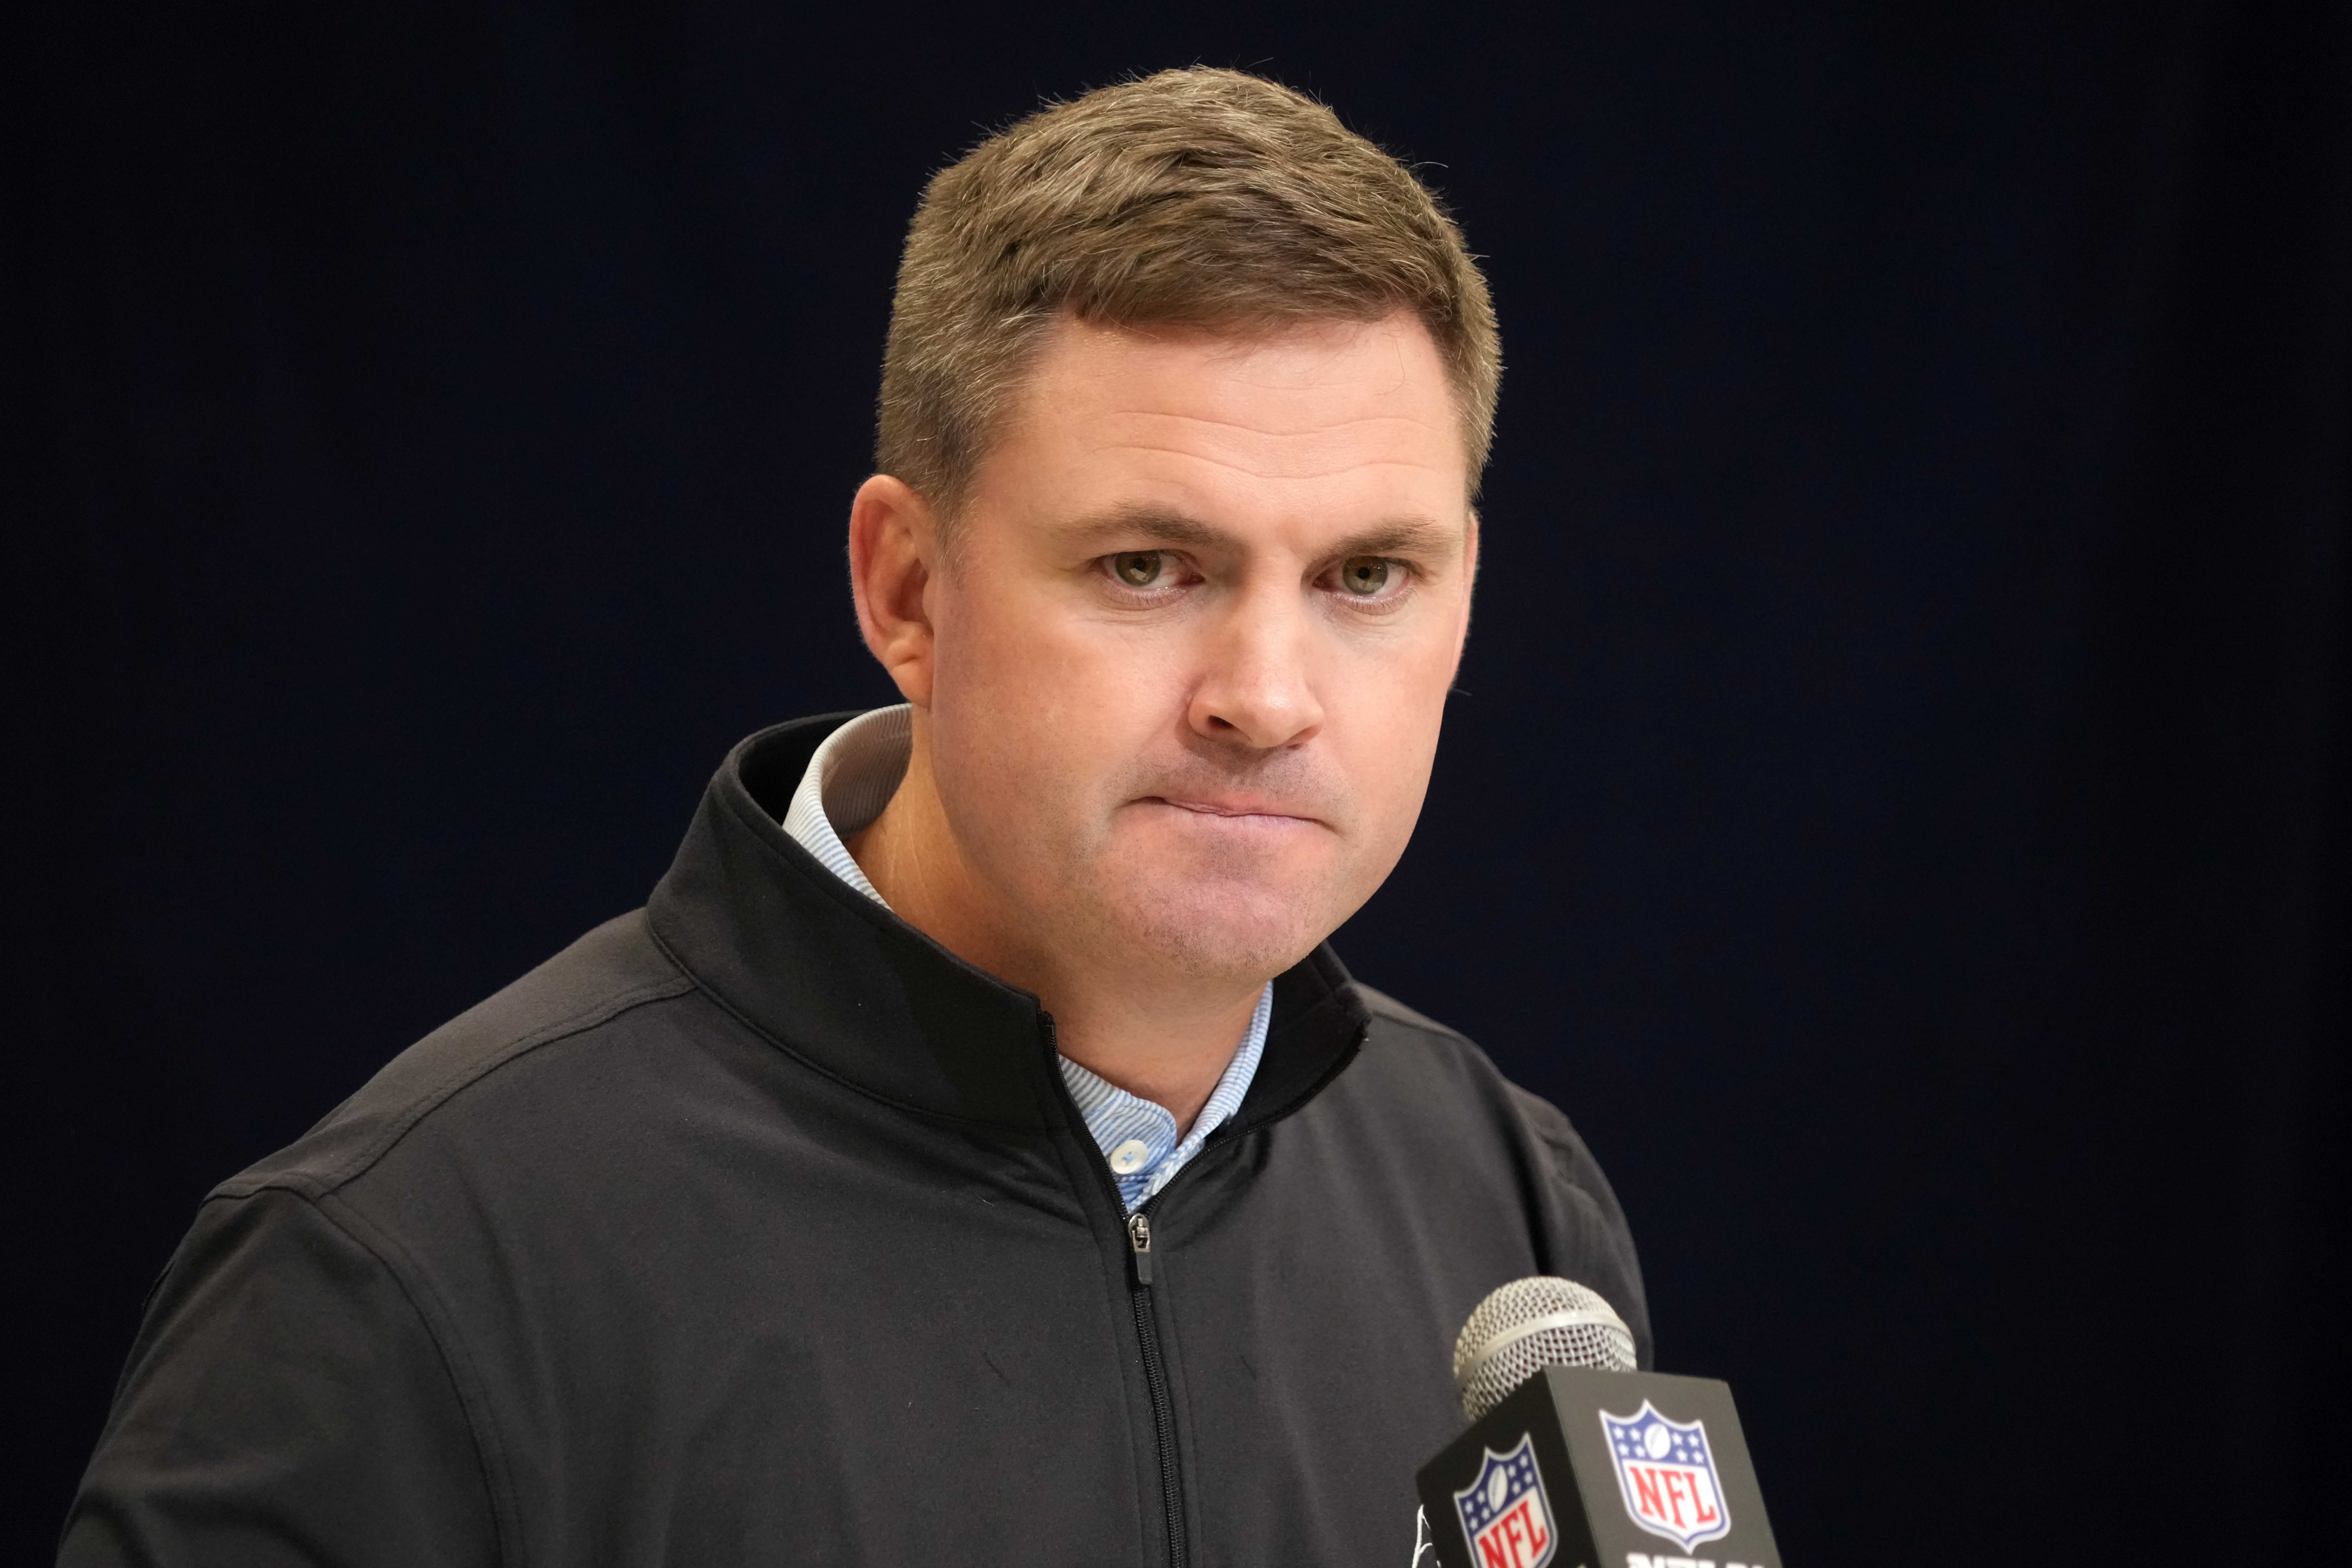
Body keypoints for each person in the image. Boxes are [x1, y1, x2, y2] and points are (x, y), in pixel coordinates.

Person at [59, 67, 1647, 1567]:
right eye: (1148, 567)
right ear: (907, 587)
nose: (1266, 694)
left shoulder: (1508, 1211)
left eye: (1365, 576)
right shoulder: (404, 1274)